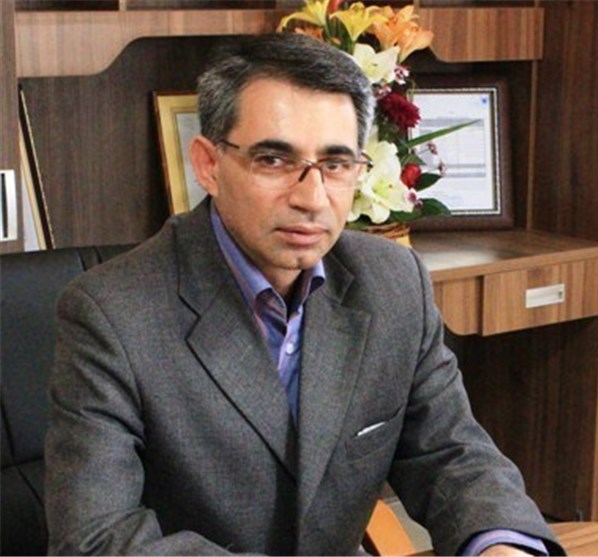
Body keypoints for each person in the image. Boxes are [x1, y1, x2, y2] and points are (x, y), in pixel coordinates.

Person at [44, 32, 564, 556]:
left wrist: (501, 544)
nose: (312, 198)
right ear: (208, 165)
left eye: (335, 164)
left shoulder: (393, 281)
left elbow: (451, 453)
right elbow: (97, 540)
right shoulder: (111, 314)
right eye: (274, 160)